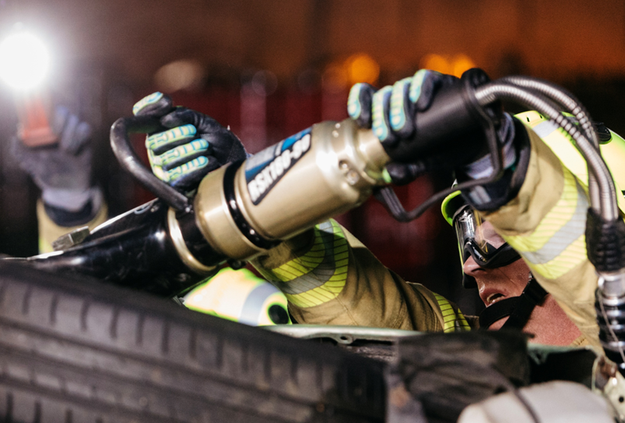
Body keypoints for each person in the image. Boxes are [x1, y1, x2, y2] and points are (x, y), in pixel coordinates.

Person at [132, 70, 625, 347]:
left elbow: (604, 307)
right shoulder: (469, 354)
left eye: (504, 235)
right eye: (470, 233)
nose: (473, 264)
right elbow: (367, 309)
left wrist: (495, 156)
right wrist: (248, 195)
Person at [11, 104, 291, 326]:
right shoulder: (170, 263)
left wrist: (246, 201)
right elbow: (77, 278)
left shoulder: (252, 303)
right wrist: (69, 201)